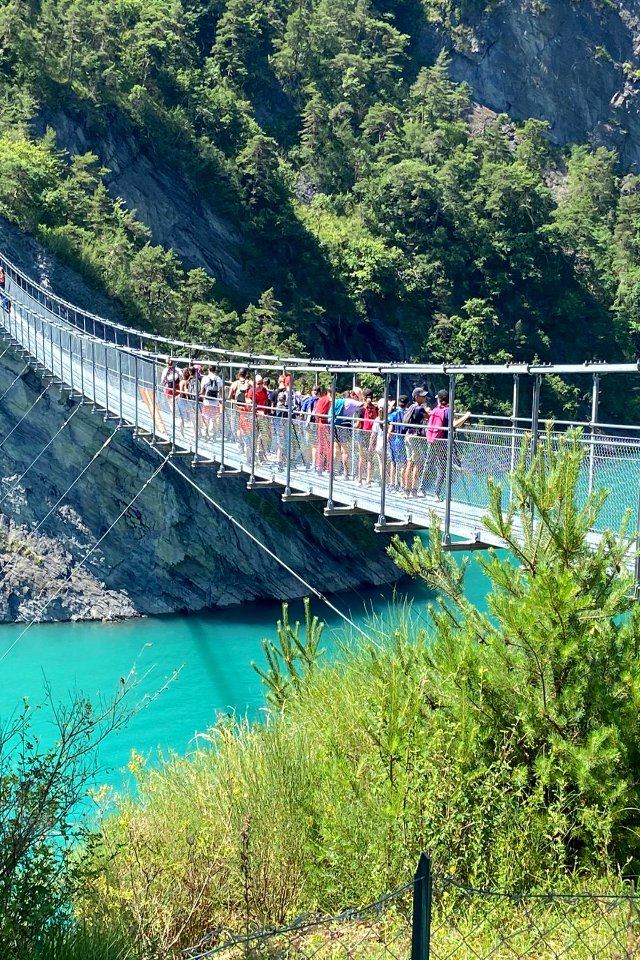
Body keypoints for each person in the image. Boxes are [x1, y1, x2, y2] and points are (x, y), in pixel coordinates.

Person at [419, 389, 471, 501]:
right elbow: (454, 424)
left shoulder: (436, 410)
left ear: (439, 399)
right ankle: (436, 494)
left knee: (428, 464)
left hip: (432, 440)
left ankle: (421, 489)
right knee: (441, 468)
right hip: (442, 442)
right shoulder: (448, 411)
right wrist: (466, 416)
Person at [403, 387, 429, 497]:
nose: (425, 397)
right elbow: (428, 417)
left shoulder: (411, 407)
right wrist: (427, 411)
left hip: (408, 435)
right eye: (422, 396)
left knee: (409, 462)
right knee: (417, 463)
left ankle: (406, 490)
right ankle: (413, 490)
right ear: (416, 397)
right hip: (415, 438)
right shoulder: (420, 409)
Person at [245, 374, 271, 464]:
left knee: (263, 437)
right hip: (253, 418)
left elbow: (267, 403)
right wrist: (257, 411)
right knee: (253, 437)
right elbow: (249, 407)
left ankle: (260, 456)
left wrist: (267, 413)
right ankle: (250, 458)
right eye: (258, 384)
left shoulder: (264, 390)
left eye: (261, 383)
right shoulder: (251, 392)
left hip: (263, 418)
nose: (260, 386)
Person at [388, 394, 409, 493]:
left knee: (393, 462)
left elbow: (390, 428)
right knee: (403, 464)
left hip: (395, 440)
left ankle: (392, 485)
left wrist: (387, 438)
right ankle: (402, 486)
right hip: (404, 440)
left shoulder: (394, 414)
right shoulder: (408, 413)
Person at [356, 389, 377, 485]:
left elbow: (359, 425)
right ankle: (368, 480)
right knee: (370, 458)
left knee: (361, 457)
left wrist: (353, 426)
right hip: (372, 435)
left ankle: (359, 478)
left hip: (362, 435)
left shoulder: (361, 409)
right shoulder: (376, 408)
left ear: (364, 397)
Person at [229, 367, 252, 453]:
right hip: (246, 409)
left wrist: (233, 401)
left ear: (239, 374)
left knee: (238, 427)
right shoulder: (249, 383)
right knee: (246, 428)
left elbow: (229, 396)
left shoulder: (235, 384)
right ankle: (247, 445)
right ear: (246, 375)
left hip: (237, 408)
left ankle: (240, 444)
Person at [199, 364, 223, 440]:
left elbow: (202, 391)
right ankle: (214, 436)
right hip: (215, 403)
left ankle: (207, 435)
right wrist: (220, 400)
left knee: (206, 419)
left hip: (206, 402)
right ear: (215, 370)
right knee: (214, 419)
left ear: (208, 370)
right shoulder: (219, 379)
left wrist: (201, 397)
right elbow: (221, 392)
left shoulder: (205, 379)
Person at [313, 385, 331, 474]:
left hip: (320, 423)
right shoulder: (327, 400)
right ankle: (327, 467)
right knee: (328, 446)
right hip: (325, 424)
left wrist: (317, 422)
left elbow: (316, 413)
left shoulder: (321, 399)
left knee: (321, 445)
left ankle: (319, 466)